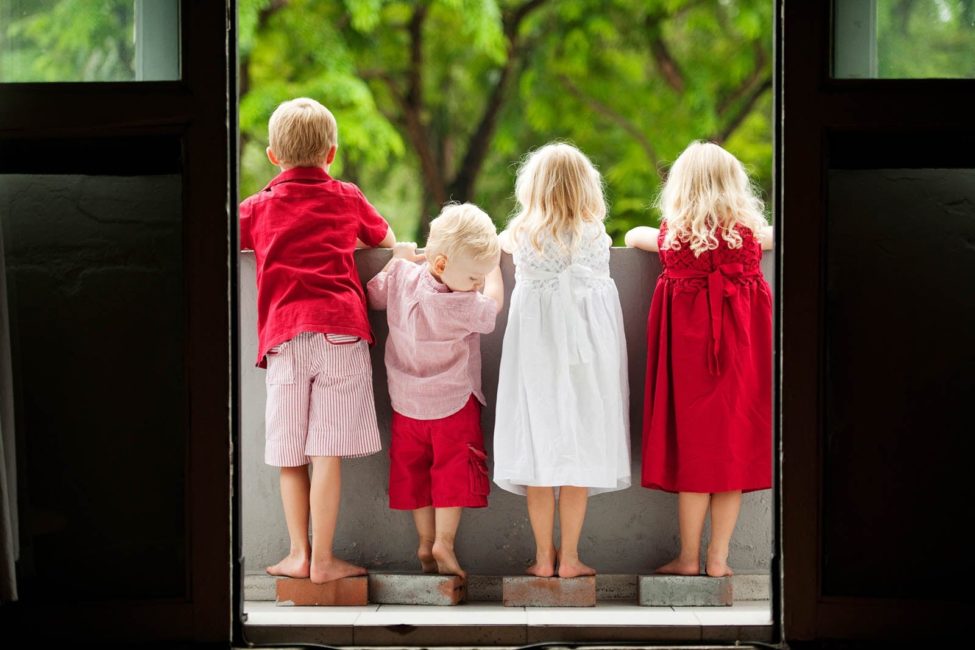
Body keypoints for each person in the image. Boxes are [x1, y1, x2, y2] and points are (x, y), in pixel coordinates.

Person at [239, 97, 395, 583]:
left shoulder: (259, 206)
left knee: (290, 452)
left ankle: (297, 555)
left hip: (286, 337)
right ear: (331, 154)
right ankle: (326, 561)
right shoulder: (346, 196)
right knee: (326, 452)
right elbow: (385, 240)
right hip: (342, 332)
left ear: (272, 156)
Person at [625, 141, 773, 577]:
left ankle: (688, 557)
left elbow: (635, 236)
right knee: (731, 457)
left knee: (695, 457)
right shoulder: (748, 238)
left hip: (690, 363)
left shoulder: (674, 236)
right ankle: (718, 559)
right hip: (740, 361)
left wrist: (643, 235)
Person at [493, 142, 631, 579]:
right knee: (578, 450)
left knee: (539, 450)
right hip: (588, 361)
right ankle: (570, 557)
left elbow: (493, 243)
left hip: (537, 358)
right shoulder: (596, 234)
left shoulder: (522, 235)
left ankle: (542, 557)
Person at [367, 203, 503, 580]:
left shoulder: (403, 277)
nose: (477, 284)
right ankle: (444, 540)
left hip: (406, 404)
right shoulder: (460, 304)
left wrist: (396, 260)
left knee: (416, 473)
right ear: (442, 265)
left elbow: (373, 296)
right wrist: (494, 274)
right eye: (474, 276)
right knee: (450, 474)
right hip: (453, 406)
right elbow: (492, 310)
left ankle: (425, 541)